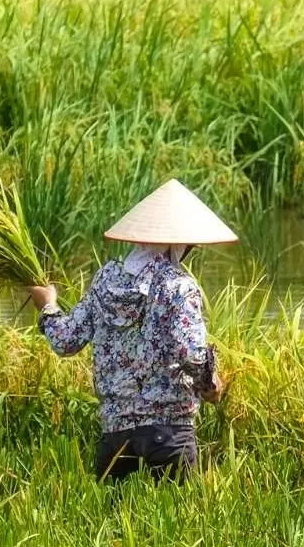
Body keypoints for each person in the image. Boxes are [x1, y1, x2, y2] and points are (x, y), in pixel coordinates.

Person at [25, 179, 235, 481]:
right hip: (168, 436)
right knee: (177, 526)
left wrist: (47, 304)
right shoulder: (178, 286)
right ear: (179, 245)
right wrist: (211, 386)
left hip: (115, 439)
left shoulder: (106, 280)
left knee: (111, 527)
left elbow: (65, 341)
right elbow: (192, 354)